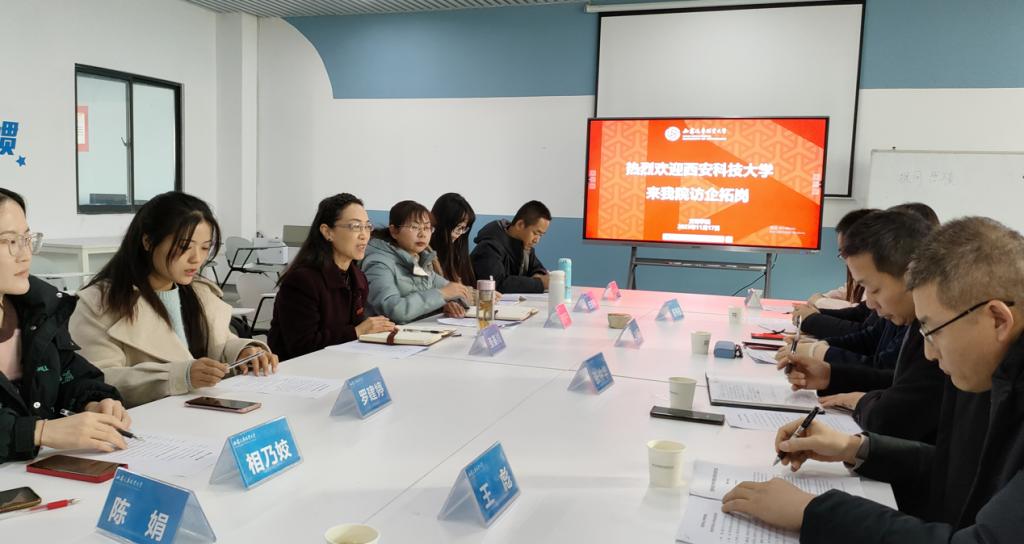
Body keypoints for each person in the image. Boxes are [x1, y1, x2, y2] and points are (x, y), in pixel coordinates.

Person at [721, 217, 1024, 543]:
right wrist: (856, 448)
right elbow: (955, 470)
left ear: (997, 319)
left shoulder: (978, 370)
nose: (928, 353)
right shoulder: (985, 369)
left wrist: (814, 512)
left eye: (933, 332)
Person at [70, 192, 277, 407]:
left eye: (205, 247)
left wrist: (244, 352)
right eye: (184, 246)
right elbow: (96, 380)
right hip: (146, 419)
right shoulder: (100, 303)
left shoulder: (199, 293)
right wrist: (178, 376)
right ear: (148, 241)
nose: (197, 258)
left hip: (205, 411)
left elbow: (220, 344)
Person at [776, 210, 946, 444]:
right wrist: (830, 374)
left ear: (912, 275)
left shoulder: (939, 330)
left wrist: (860, 402)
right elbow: (898, 384)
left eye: (874, 290)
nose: (871, 304)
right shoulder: (914, 320)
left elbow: (894, 416)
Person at [0, 188, 132, 463]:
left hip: (37, 471)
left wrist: (93, 402)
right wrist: (40, 432)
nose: (25, 255)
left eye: (26, 239)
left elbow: (68, 373)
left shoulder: (37, 310)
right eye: (10, 241)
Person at [269, 194, 395, 361]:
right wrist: (358, 331)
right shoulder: (302, 281)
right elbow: (301, 346)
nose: (364, 235)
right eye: (355, 226)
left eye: (367, 226)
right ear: (327, 232)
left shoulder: (358, 278)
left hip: (341, 363)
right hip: (299, 370)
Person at [362, 200, 472, 325]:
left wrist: (446, 304)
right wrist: (441, 295)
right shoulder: (378, 263)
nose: (422, 234)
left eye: (427, 228)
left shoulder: (421, 260)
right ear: (394, 231)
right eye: (414, 227)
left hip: (417, 332)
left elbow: (459, 293)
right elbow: (394, 310)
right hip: (388, 335)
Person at [471, 200, 550, 294]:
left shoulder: (525, 247)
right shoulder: (489, 247)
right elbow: (497, 284)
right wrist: (539, 283)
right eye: (536, 233)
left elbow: (537, 269)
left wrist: (539, 275)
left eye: (541, 235)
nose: (537, 240)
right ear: (520, 225)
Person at [430, 193, 476, 287]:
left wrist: (481, 293)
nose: (459, 233)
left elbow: (466, 287)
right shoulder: (427, 254)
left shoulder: (458, 251)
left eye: (463, 228)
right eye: (458, 227)